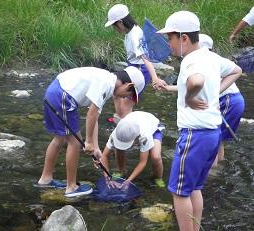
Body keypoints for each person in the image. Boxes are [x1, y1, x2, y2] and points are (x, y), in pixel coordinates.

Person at [156, 11, 242, 230]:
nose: (169, 44)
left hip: (195, 134)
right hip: (212, 133)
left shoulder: (191, 61)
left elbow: (196, 81)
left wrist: (190, 97)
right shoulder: (210, 56)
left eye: (171, 38)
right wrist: (215, 93)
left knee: (178, 191)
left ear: (184, 38)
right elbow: (236, 70)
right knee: (194, 188)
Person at [35, 66, 145, 198]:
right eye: (129, 95)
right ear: (128, 85)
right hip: (63, 96)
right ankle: (71, 187)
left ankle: (45, 179)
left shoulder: (106, 79)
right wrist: (87, 141)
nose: (125, 98)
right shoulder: (107, 84)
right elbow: (91, 114)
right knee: (75, 143)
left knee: (60, 138)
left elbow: (95, 117)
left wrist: (96, 147)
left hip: (54, 92)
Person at [105, 4, 164, 122]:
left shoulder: (135, 35)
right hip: (132, 68)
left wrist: (155, 78)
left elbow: (145, 58)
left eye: (114, 25)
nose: (114, 29)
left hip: (140, 71)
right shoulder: (131, 31)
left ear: (120, 22)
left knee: (126, 103)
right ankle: (120, 118)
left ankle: (125, 123)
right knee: (116, 92)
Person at [199, 34, 245, 167]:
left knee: (213, 138)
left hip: (228, 100)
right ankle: (218, 166)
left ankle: (212, 171)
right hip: (233, 100)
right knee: (218, 139)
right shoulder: (213, 59)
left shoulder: (206, 61)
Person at [101, 111, 166, 188]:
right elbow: (104, 156)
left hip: (155, 128)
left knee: (156, 157)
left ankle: (158, 177)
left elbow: (142, 162)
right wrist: (107, 177)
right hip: (134, 121)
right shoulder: (116, 133)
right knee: (118, 149)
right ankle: (121, 170)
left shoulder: (144, 135)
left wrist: (129, 180)